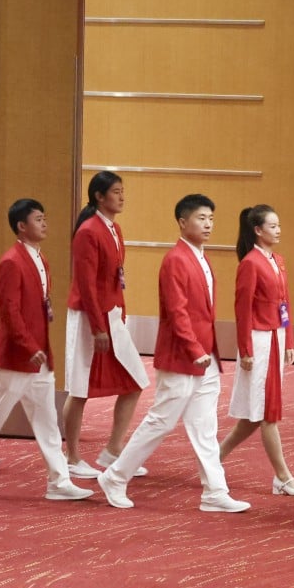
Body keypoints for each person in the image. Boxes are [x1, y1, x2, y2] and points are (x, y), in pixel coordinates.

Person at [96, 194, 249, 513]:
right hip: (182, 357)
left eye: (211, 218)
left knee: (205, 426)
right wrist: (195, 350)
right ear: (182, 222)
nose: (208, 224)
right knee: (160, 421)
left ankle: (214, 491)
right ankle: (115, 476)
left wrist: (205, 351)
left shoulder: (201, 259)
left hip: (204, 358)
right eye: (201, 218)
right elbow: (177, 312)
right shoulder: (175, 260)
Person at [0, 199, 91, 501]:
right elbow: (9, 311)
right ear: (22, 226)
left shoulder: (40, 258)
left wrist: (41, 350)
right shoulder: (11, 261)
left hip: (38, 356)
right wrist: (28, 346)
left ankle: (58, 480)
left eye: (44, 217)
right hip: (16, 357)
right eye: (38, 219)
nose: (44, 223)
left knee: (47, 420)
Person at [219, 204, 294, 497]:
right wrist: (245, 349)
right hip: (258, 340)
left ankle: (213, 459)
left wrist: (291, 341)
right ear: (257, 230)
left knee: (257, 414)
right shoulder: (250, 263)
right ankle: (282, 477)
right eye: (273, 226)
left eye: (278, 225)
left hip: (276, 336)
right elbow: (242, 309)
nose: (278, 230)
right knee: (266, 412)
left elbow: (286, 303)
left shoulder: (277, 260)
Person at [62, 172, 148, 480]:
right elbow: (85, 285)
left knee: (135, 381)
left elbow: (115, 279)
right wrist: (98, 327)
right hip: (89, 317)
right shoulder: (88, 231)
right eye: (116, 192)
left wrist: (119, 315)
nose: (122, 197)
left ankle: (113, 450)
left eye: (123, 191)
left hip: (110, 315)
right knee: (79, 387)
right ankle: (71, 456)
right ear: (99, 196)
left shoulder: (113, 228)